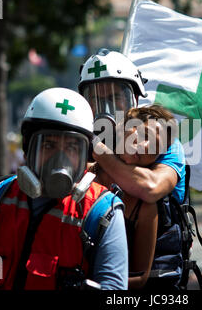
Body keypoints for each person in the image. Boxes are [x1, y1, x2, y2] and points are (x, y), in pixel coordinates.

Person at [0, 88, 128, 290]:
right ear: (28, 148)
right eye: (48, 145)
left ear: (86, 156)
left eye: (72, 148)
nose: (60, 158)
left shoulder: (102, 213)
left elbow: (114, 288)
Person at [78, 48, 186, 204]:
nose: (106, 108)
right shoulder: (81, 140)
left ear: (134, 98)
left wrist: (100, 153)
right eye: (96, 99)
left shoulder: (163, 142)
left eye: (114, 97)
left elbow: (151, 188)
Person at [90, 105, 178, 289]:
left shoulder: (146, 207)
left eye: (155, 148)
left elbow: (139, 278)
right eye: (145, 134)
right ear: (123, 126)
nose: (146, 147)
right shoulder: (81, 173)